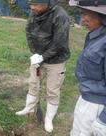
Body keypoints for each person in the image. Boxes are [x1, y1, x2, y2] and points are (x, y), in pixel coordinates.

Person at [15, 0, 70, 133]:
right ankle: (29, 107)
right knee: (33, 83)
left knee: (52, 90)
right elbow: (28, 31)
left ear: (45, 3)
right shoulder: (35, 12)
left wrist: (43, 57)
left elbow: (60, 42)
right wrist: (35, 53)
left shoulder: (60, 15)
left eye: (35, 5)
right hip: (38, 58)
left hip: (56, 61)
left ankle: (48, 119)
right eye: (31, 5)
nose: (32, 8)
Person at [69, 0, 106, 136]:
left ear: (101, 16)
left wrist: (103, 120)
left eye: (86, 14)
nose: (82, 19)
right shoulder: (94, 35)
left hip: (98, 106)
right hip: (86, 98)